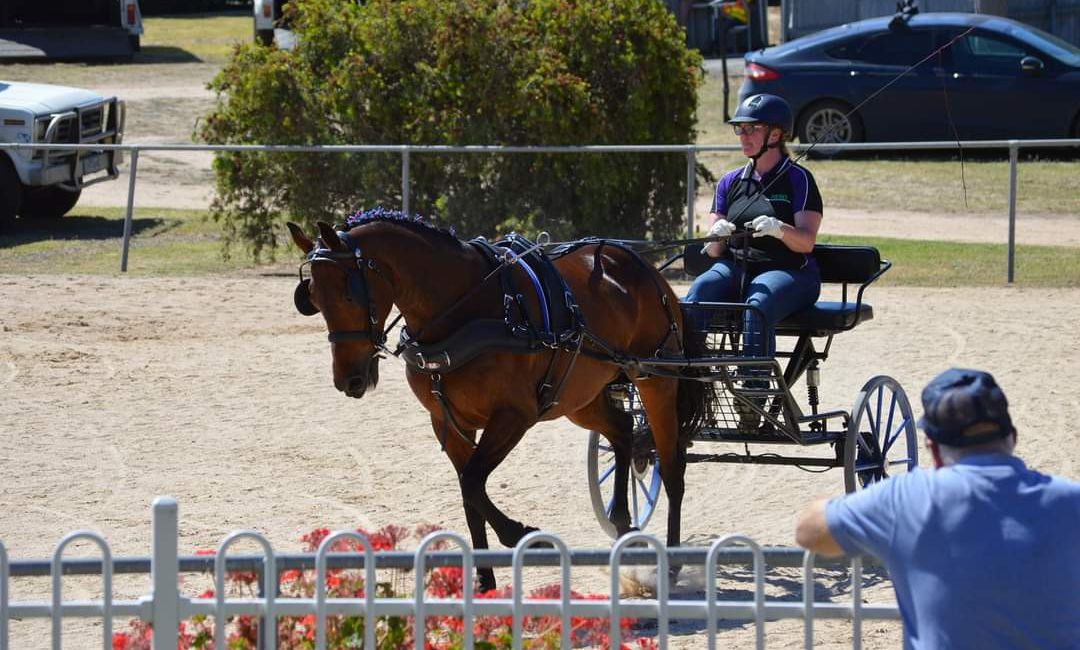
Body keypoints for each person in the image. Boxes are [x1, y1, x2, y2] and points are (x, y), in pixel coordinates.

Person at [795, 368, 1080, 649]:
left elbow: (809, 531)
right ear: (1012, 437)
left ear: (932, 448)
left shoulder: (906, 498)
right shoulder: (1071, 500)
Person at [683, 93, 823, 361]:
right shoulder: (729, 181)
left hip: (789, 270)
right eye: (740, 129)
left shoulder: (799, 179)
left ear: (775, 134)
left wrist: (780, 228)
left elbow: (806, 243)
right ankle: (687, 373)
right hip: (735, 265)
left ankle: (754, 384)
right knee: (698, 293)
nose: (743, 136)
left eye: (753, 128)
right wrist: (717, 233)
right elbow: (712, 252)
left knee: (757, 303)